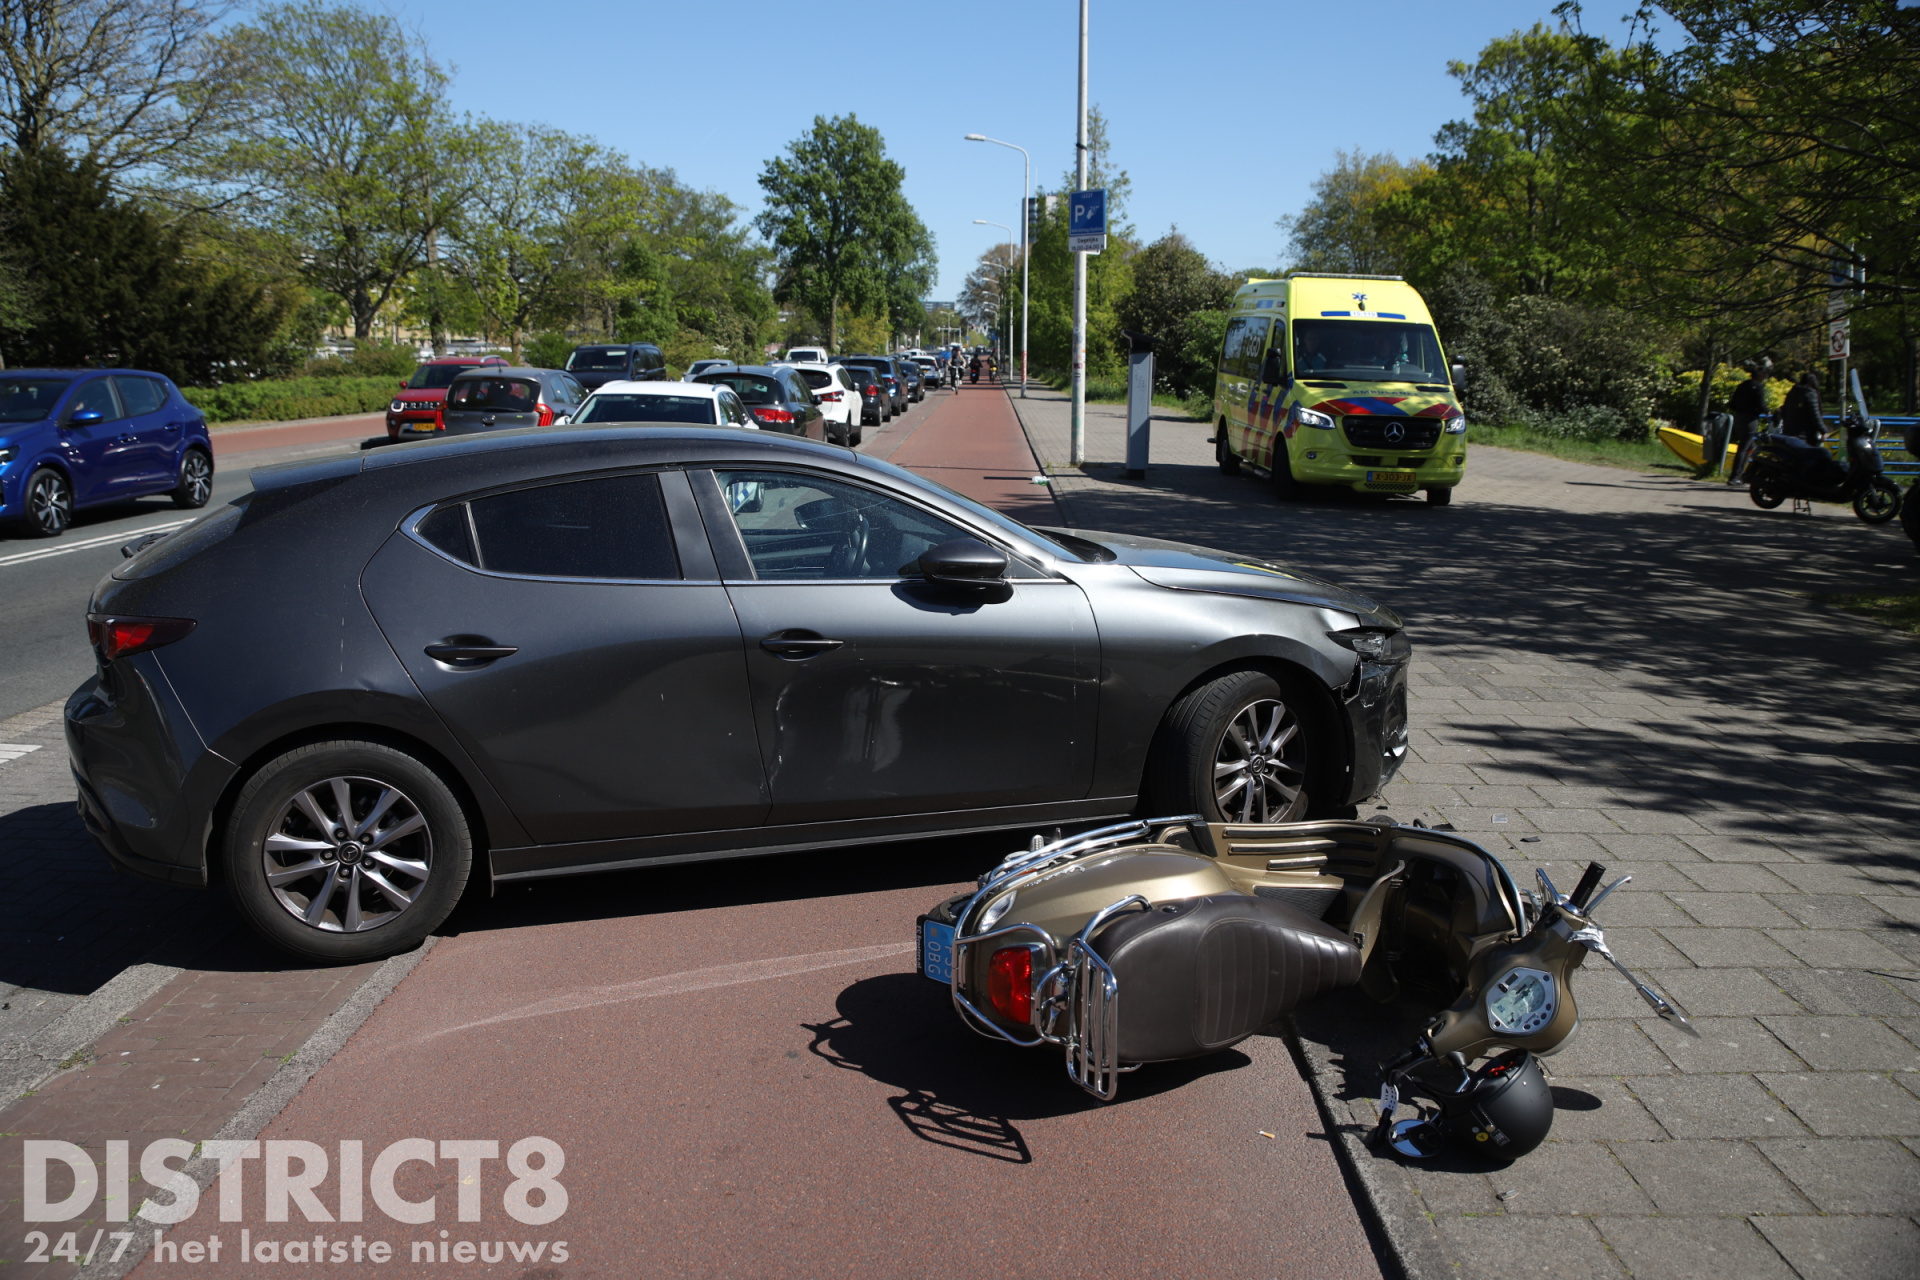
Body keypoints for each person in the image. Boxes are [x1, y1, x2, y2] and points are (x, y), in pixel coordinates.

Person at [1725, 359, 1771, 483]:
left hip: (1739, 417)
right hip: (1750, 419)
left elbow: (1733, 404)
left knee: (1750, 447)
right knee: (1744, 448)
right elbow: (1761, 404)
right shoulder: (1758, 388)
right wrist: (1767, 412)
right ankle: (1736, 476)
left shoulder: (1742, 385)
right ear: (1761, 376)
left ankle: (1746, 474)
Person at [1778, 371, 1825, 445]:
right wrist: (1824, 431)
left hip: (1788, 432)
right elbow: (1815, 415)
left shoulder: (1792, 392)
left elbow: (1784, 410)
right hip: (1805, 435)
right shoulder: (1811, 394)